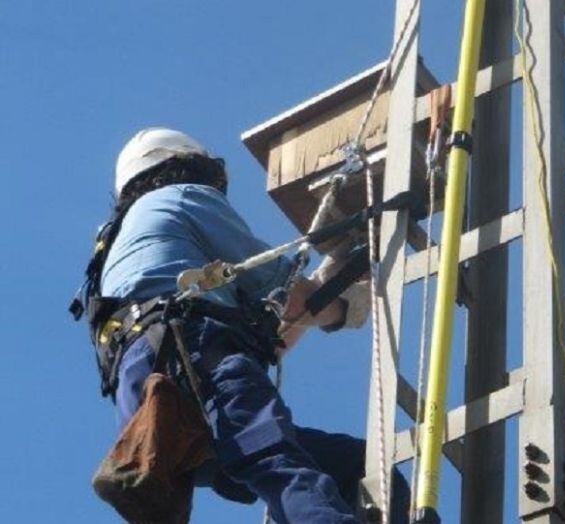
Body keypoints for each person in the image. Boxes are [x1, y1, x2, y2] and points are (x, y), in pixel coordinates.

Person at [74, 127, 409, 523]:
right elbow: (284, 291)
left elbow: (268, 336)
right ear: (187, 165)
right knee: (278, 465)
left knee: (352, 467)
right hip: (193, 358)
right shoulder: (182, 197)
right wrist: (340, 307)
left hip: (154, 415)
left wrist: (322, 289)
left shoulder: (113, 249)